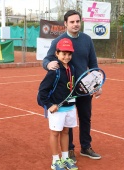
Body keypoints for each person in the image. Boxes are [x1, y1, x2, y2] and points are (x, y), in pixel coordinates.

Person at [42, 10, 102, 163]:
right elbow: (47, 59)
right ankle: (68, 150)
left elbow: (93, 65)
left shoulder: (87, 40)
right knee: (66, 124)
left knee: (85, 117)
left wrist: (96, 84)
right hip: (65, 91)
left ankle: (86, 147)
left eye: (77, 21)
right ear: (65, 24)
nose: (75, 24)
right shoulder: (59, 41)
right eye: (72, 22)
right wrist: (48, 64)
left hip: (84, 88)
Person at [38, 38, 78, 170]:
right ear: (57, 53)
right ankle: (55, 160)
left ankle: (65, 158)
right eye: (63, 54)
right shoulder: (54, 71)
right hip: (57, 109)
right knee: (55, 133)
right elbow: (42, 92)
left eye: (69, 54)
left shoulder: (72, 68)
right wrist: (49, 105)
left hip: (70, 107)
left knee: (66, 132)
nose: (66, 57)